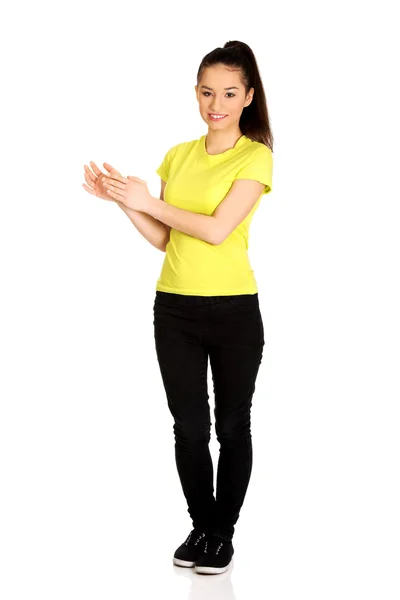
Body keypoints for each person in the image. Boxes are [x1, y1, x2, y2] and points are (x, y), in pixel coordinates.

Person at [82, 39, 273, 575]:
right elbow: (167, 238)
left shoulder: (256, 157)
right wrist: (125, 201)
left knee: (232, 426)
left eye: (230, 92)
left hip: (235, 310)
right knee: (188, 426)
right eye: (208, 91)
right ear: (195, 93)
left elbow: (215, 230)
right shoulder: (177, 155)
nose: (217, 102)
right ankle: (201, 528)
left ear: (248, 97)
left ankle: (222, 534)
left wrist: (148, 200)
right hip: (175, 310)